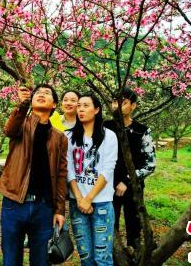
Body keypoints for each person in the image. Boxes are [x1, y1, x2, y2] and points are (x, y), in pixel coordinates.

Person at [0, 83, 68, 266]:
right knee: (11, 260)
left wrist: (59, 210)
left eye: (47, 93)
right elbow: (9, 130)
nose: (41, 94)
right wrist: (22, 104)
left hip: (43, 207)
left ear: (54, 104)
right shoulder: (21, 125)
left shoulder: (60, 137)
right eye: (37, 93)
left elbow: (61, 174)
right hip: (14, 203)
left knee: (41, 261)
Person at [66, 93, 118, 265]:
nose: (80, 109)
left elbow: (108, 170)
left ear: (96, 110)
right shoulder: (69, 137)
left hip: (101, 203)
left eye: (85, 105)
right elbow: (68, 169)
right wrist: (79, 198)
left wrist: (88, 198)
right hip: (77, 203)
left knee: (102, 258)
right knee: (86, 256)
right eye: (79, 106)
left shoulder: (109, 136)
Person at [104, 87, 156, 252]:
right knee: (109, 226)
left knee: (133, 225)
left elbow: (150, 164)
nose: (117, 106)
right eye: (114, 102)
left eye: (123, 102)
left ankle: (135, 252)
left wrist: (127, 181)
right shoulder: (104, 128)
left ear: (133, 106)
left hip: (133, 186)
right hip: (106, 185)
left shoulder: (142, 131)